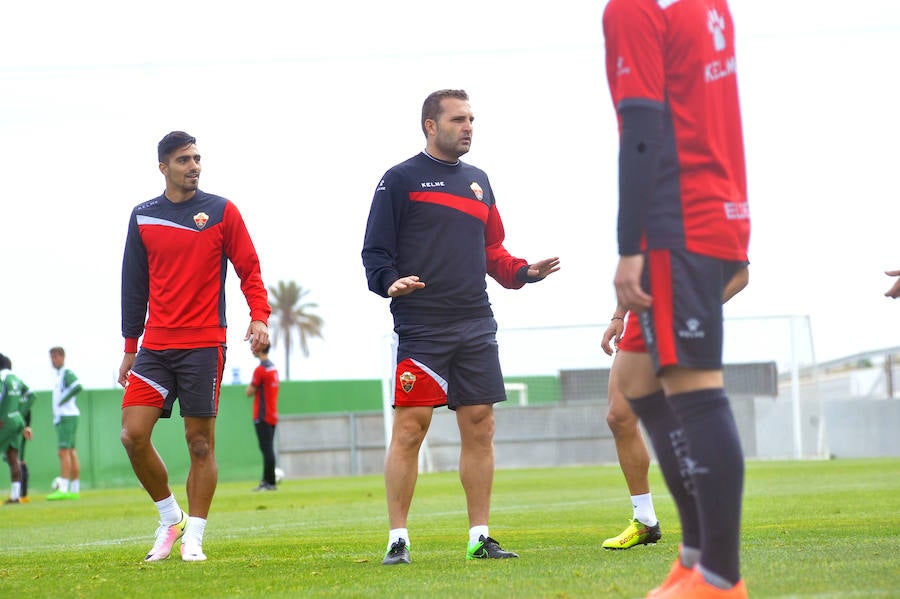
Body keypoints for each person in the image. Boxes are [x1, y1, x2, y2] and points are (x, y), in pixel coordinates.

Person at [362, 89, 560, 566]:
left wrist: (521, 273)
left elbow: (493, 251)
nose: (468, 126)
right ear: (430, 125)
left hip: (475, 322)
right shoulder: (399, 179)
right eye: (458, 119)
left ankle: (479, 537)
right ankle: (398, 539)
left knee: (480, 426)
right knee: (411, 428)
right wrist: (391, 283)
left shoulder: (479, 181)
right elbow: (375, 253)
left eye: (472, 119)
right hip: (422, 325)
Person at [603, 1, 751, 597]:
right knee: (637, 386)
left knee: (695, 389)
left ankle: (718, 574)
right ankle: (693, 560)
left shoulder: (636, 9)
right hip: (714, 205)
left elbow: (641, 126)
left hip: (678, 219)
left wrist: (629, 243)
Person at [118, 131, 270, 563]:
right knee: (133, 434)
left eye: (197, 158)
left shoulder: (222, 211)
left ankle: (195, 536)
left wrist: (259, 315)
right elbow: (134, 285)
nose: (194, 166)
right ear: (163, 167)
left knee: (199, 443)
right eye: (184, 160)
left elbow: (249, 268)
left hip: (205, 345)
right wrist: (131, 345)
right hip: (156, 346)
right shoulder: (143, 216)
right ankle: (171, 518)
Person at [599, 267, 749, 551]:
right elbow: (633, 267)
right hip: (640, 322)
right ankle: (644, 519)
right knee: (619, 417)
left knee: (688, 416)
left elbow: (740, 275)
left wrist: (698, 310)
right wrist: (619, 315)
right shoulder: (641, 222)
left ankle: (712, 517)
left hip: (683, 325)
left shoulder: (708, 222)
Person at [48, 346, 82, 500]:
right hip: (67, 416)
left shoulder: (66, 373)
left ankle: (63, 488)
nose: (53, 360)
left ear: (62, 357)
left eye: (55, 357)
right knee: (71, 452)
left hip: (67, 416)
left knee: (63, 452)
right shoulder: (58, 375)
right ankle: (74, 490)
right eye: (51, 357)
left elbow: (77, 386)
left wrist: (62, 401)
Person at [245, 343, 279, 491]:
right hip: (272, 414)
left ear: (260, 348)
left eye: (254, 346)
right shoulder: (273, 368)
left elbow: (249, 392)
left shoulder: (260, 370)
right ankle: (269, 481)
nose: (252, 348)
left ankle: (268, 482)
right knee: (268, 448)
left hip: (262, 415)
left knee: (266, 449)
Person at [0, 353, 28, 504]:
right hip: (17, 420)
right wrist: (18, 414)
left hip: (4, 421)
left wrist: (3, 416)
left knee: (12, 458)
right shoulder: (16, 379)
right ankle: (15, 495)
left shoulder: (2, 378)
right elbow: (31, 395)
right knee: (13, 457)